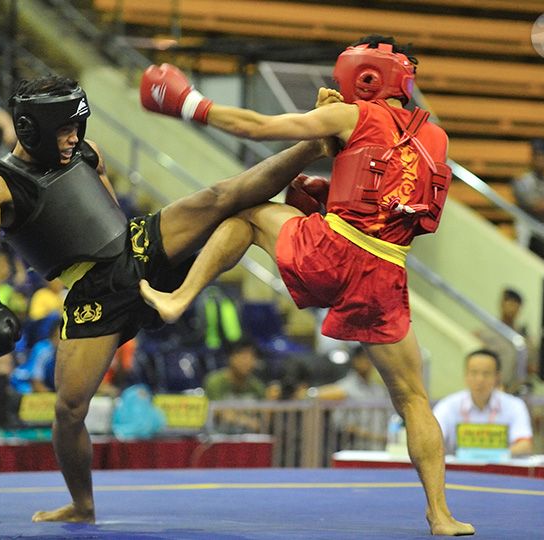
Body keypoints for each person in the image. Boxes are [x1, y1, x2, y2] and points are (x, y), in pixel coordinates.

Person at [138, 35, 473, 535]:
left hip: (334, 254)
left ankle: (178, 298)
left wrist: (188, 102)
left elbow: (258, 127)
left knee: (247, 214)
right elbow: (376, 186)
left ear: (363, 76)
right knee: (412, 398)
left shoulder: (353, 117)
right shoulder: (436, 138)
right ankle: (441, 514)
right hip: (387, 274)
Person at [0, 75, 330, 524]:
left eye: (75, 128)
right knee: (69, 409)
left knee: (223, 198)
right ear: (30, 128)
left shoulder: (86, 151)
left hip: (133, 248)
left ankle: (312, 148)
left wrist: (136, 254)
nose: (72, 138)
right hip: (91, 294)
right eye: (63, 130)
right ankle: (83, 505)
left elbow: (106, 210)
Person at [431, 349, 533, 456]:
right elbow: (431, 442)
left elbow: (525, 445)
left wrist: (496, 457)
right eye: (474, 373)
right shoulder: (447, 406)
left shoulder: (514, 405)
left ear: (497, 377)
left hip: (497, 469)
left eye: (486, 373)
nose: (480, 379)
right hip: (459, 469)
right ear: (466, 375)